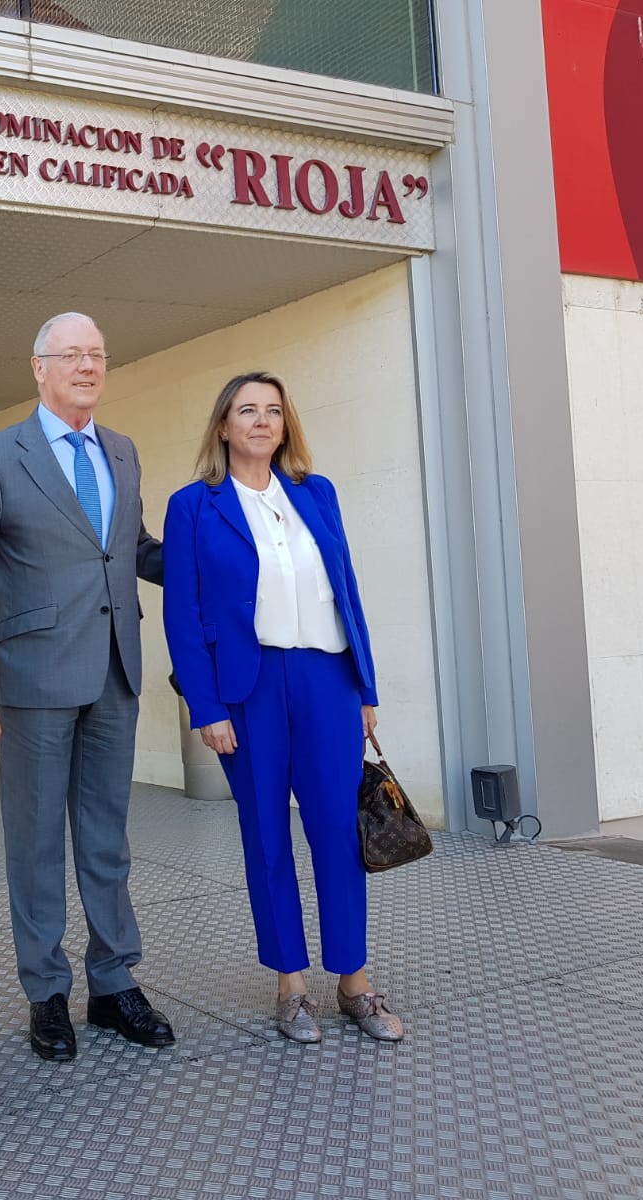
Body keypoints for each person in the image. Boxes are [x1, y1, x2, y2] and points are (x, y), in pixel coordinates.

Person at [162, 371, 403, 1044]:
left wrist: (365, 688)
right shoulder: (193, 506)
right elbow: (183, 616)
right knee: (266, 833)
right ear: (223, 426)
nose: (262, 421)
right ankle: (290, 985)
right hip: (249, 686)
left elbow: (346, 591)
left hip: (327, 679)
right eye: (247, 410)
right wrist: (206, 706)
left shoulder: (316, 493)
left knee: (338, 831)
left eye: (273, 410)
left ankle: (353, 981)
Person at [0, 311, 174, 1062]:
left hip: (115, 666)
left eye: (96, 355)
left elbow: (131, 548)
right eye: (72, 355)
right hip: (32, 675)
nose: (87, 366)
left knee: (106, 838)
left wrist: (216, 548)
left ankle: (113, 982)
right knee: (34, 844)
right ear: (39, 367)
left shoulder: (121, 450)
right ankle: (46, 991)